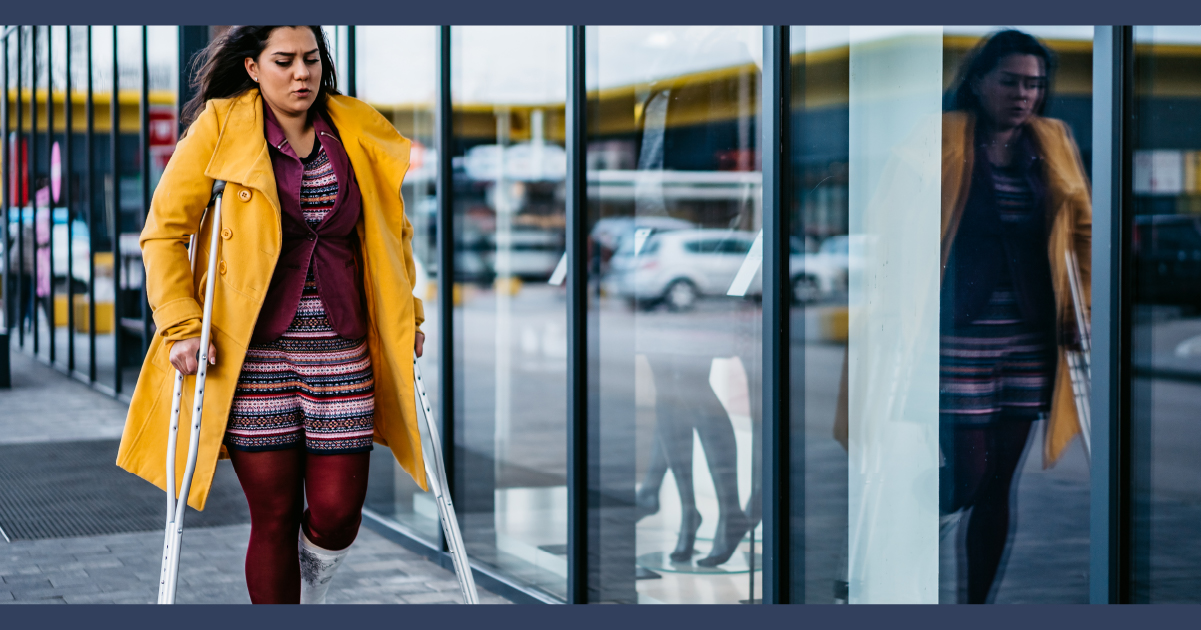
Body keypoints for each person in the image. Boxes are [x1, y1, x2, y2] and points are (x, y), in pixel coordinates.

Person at [116, 26, 429, 605]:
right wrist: (182, 325)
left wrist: (407, 314)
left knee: (337, 511)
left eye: (310, 59)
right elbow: (163, 234)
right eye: (283, 61)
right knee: (276, 514)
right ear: (254, 67)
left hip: (342, 347)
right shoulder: (218, 127)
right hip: (251, 352)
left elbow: (393, 234)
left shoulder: (354, 128)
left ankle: (317, 583)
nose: (301, 73)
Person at [938, 30, 1091, 603]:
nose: (1024, 94)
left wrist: (1083, 310)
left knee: (1002, 484)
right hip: (959, 333)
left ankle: (975, 603)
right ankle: (900, 521)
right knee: (970, 475)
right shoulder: (945, 137)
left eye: (1034, 84)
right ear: (979, 82)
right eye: (1011, 81)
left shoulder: (1052, 141)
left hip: (1029, 336)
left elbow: (1081, 229)